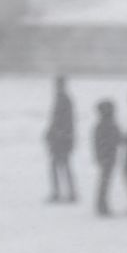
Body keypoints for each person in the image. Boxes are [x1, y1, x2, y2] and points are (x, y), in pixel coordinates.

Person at [44, 75, 76, 203]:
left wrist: (56, 133)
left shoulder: (63, 100)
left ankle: (60, 192)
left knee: (59, 166)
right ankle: (67, 192)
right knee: (62, 166)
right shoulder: (62, 99)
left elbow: (62, 121)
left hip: (61, 139)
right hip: (62, 138)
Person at [91, 100, 121, 218]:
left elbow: (96, 143)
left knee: (103, 182)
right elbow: (118, 139)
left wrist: (98, 155)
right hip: (109, 157)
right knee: (105, 182)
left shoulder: (100, 125)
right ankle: (102, 205)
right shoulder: (110, 124)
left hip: (103, 157)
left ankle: (101, 204)